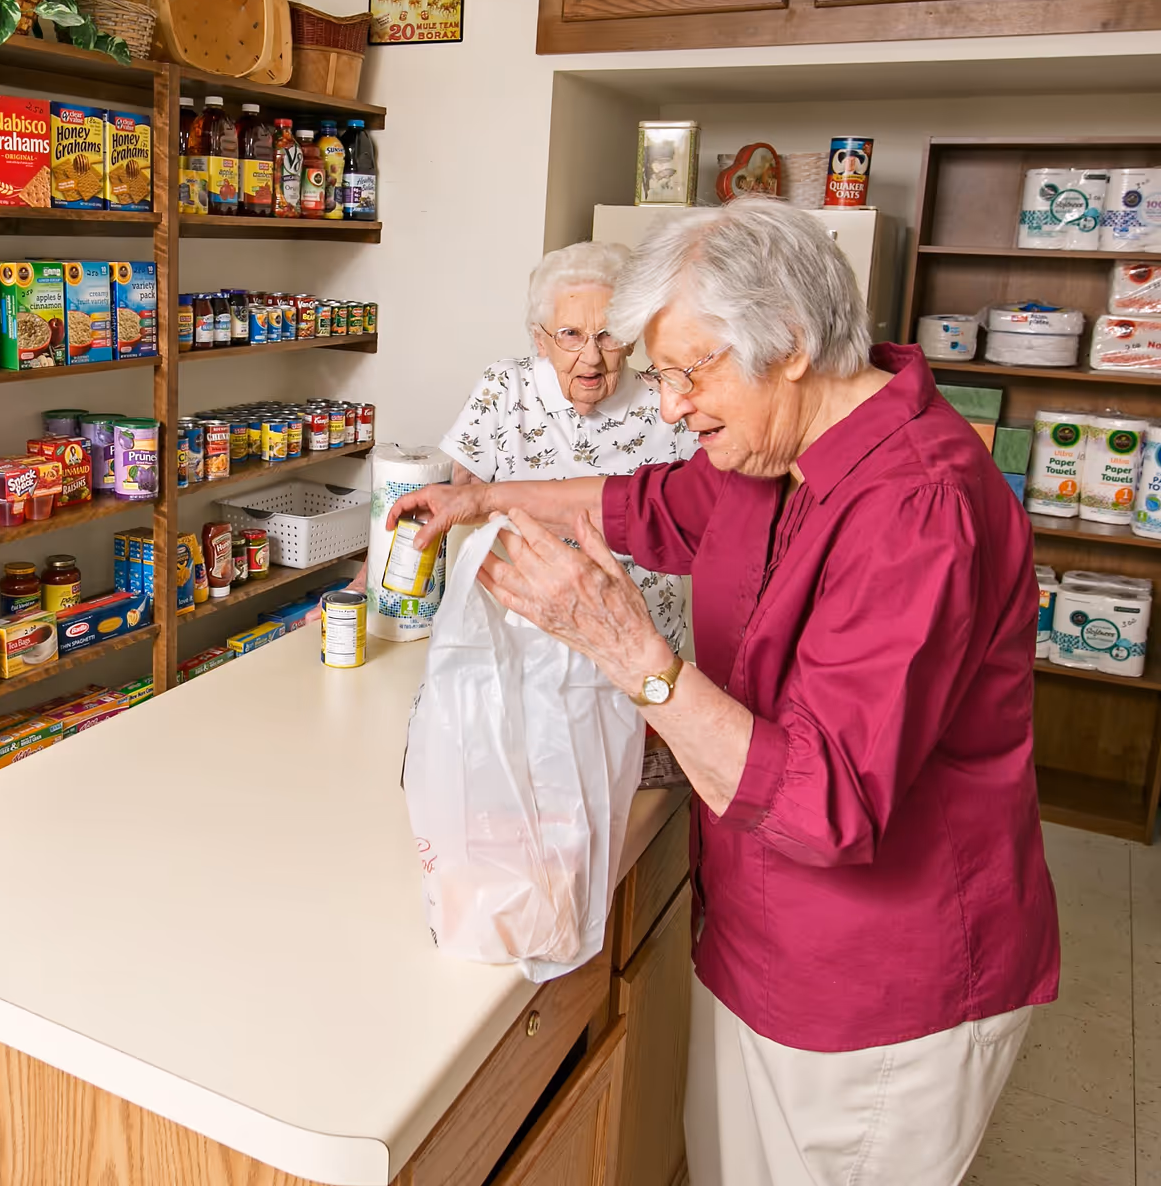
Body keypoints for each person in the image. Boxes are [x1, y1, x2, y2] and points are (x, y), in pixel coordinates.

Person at [392, 198, 1057, 1186]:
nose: (665, 408)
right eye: (659, 373)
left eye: (686, 371)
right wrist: (481, 496)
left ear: (788, 341)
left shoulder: (916, 506)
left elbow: (826, 805)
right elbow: (640, 503)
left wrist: (632, 654)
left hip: (874, 985)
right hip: (759, 934)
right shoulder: (770, 447)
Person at [440, 240, 697, 653]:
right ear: (540, 340)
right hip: (521, 639)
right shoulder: (506, 389)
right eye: (571, 335)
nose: (591, 357)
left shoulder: (672, 403)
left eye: (609, 334)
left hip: (641, 646)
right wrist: (366, 592)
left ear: (631, 338)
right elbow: (436, 501)